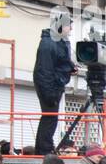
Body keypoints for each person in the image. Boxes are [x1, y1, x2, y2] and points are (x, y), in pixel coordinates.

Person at [32, 9, 76, 155]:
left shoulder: (58, 42)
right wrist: (49, 92)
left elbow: (59, 63)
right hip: (50, 87)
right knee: (49, 118)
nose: (71, 29)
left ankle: (45, 148)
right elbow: (44, 70)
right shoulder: (48, 43)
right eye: (69, 25)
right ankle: (43, 150)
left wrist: (69, 68)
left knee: (51, 118)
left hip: (55, 85)